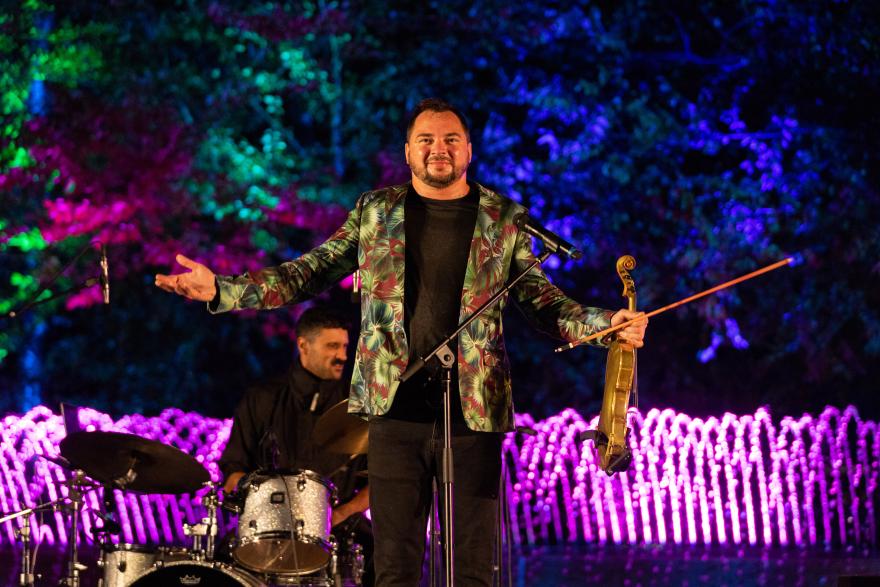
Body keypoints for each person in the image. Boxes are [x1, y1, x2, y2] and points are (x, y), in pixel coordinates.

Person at [156, 98, 648, 586]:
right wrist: (223, 288)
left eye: (451, 139)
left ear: (469, 151)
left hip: (473, 415)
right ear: (408, 151)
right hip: (393, 414)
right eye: (427, 140)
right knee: (394, 569)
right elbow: (305, 274)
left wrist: (609, 325)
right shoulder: (376, 213)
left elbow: (547, 306)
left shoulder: (502, 220)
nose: (440, 148)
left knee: (474, 570)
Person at [218, 306, 373, 584]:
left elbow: (381, 479)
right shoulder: (262, 398)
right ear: (303, 345)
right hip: (266, 531)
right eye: (332, 346)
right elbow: (233, 472)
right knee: (221, 560)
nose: (343, 356)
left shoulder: (358, 405)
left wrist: (337, 515)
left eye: (345, 346)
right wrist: (267, 512)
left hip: (339, 529)